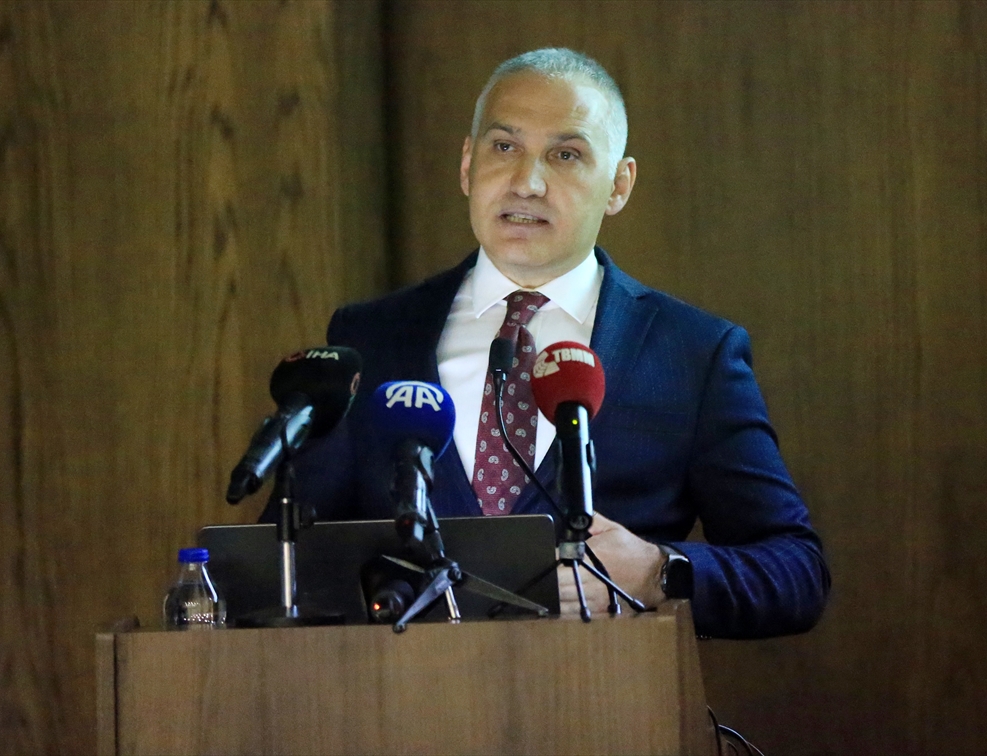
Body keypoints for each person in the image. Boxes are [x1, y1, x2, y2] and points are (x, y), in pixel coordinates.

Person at [262, 48, 829, 639]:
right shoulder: (371, 338)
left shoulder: (691, 353)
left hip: (597, 692)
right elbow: (286, 559)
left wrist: (658, 571)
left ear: (618, 185)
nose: (527, 184)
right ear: (466, 165)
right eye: (504, 147)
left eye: (566, 155)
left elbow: (796, 571)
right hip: (400, 690)